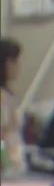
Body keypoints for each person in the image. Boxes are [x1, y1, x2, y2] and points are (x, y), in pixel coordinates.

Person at [1, 37, 25, 177]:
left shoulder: (8, 96)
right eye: (13, 61)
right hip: (7, 170)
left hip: (15, 165)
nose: (18, 66)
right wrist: (7, 167)